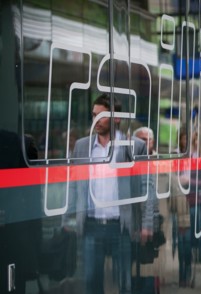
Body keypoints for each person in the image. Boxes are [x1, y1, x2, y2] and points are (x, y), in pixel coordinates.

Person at [64, 93, 153, 294]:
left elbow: (147, 186)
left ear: (117, 118)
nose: (95, 119)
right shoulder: (82, 147)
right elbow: (73, 185)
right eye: (93, 115)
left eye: (100, 115)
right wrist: (67, 219)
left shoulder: (134, 147)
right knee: (91, 283)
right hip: (91, 226)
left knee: (124, 283)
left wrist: (147, 224)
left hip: (120, 227)